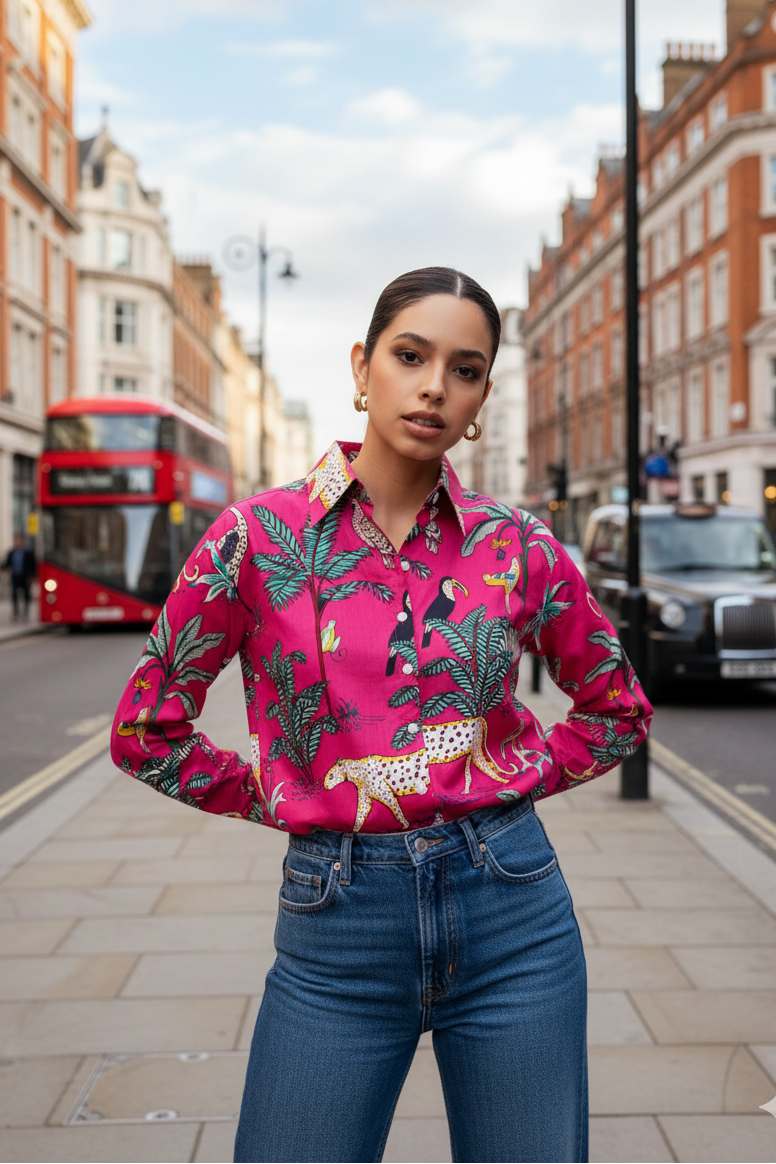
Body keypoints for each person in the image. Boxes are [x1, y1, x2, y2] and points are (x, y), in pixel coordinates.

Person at [111, 267, 652, 1164]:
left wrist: (510, 776)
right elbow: (144, 728)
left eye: (466, 368)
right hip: (338, 928)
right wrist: (275, 795)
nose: (436, 384)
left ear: (480, 396)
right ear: (364, 366)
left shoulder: (515, 547)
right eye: (412, 355)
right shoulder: (257, 539)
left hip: (514, 919)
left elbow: (615, 709)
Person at [3, 533, 36, 618]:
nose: (17, 542)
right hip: (15, 576)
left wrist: (32, 576)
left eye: (19, 541)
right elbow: (7, 564)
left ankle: (26, 611)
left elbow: (32, 565)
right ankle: (16, 611)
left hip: (25, 577)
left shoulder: (28, 553)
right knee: (14, 594)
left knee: (26, 594)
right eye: (16, 540)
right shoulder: (11, 553)